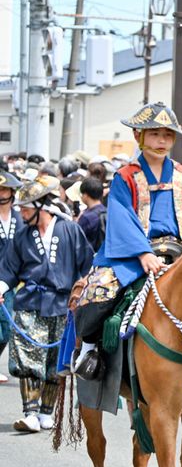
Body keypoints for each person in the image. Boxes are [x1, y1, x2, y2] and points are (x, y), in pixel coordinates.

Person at [73, 103, 182, 380]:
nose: (162, 141)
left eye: (168, 135)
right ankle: (90, 349)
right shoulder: (125, 177)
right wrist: (143, 253)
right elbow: (121, 217)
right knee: (96, 292)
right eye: (155, 134)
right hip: (130, 256)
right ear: (139, 135)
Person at [0, 176, 94, 432]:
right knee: (28, 358)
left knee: (56, 362)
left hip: (63, 304)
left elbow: (87, 264)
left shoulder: (70, 230)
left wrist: (85, 288)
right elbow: (8, 270)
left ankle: (45, 412)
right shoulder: (22, 236)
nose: (22, 212)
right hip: (30, 302)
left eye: (27, 208)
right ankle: (29, 413)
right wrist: (1, 287)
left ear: (41, 206)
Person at [0, 171, 22, 383]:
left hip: (10, 281)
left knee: (6, 328)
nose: (1, 194)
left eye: (4, 189)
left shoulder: (20, 217)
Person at [75, 176, 107, 252]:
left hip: (91, 258)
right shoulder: (107, 211)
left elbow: (76, 239)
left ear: (86, 195)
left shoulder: (87, 217)